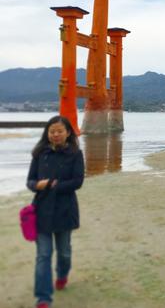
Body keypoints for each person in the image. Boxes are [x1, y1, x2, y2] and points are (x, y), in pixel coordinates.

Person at [26, 115, 85, 308]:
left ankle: (61, 274)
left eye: (60, 131)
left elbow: (78, 181)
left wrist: (53, 185)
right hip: (42, 209)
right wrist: (38, 185)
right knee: (43, 255)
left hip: (65, 209)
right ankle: (43, 297)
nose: (56, 134)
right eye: (52, 131)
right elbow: (30, 182)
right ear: (47, 133)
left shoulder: (75, 154)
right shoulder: (39, 153)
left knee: (64, 252)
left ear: (68, 133)